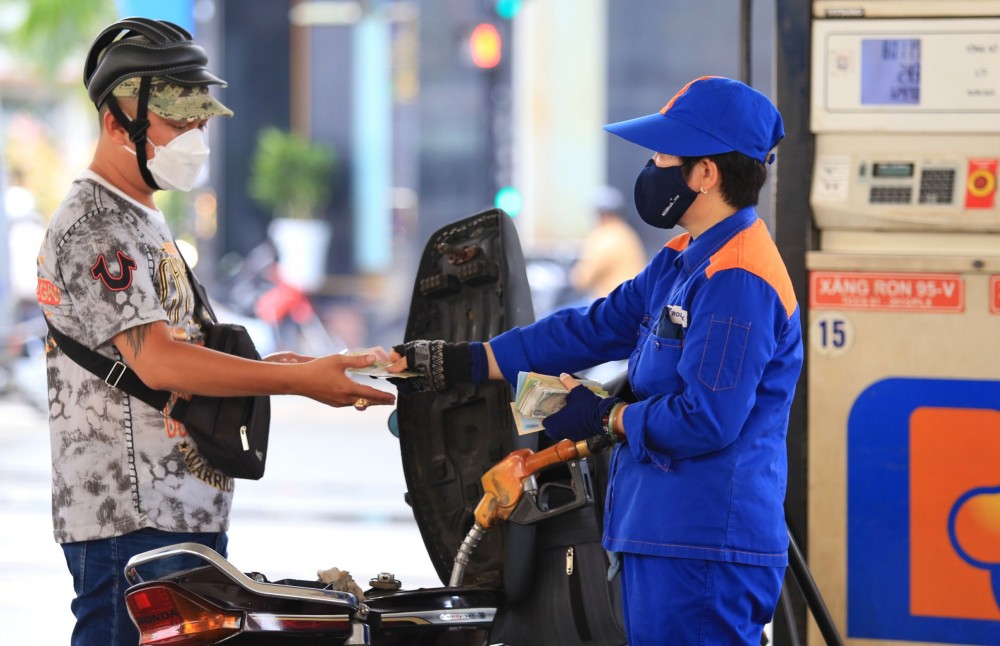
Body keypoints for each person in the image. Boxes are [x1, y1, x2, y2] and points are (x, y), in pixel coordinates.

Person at [389, 75, 803, 645]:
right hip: (663, 534)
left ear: (706, 173)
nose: (651, 167)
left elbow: (707, 419)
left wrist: (604, 416)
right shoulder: (686, 259)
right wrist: (467, 360)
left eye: (663, 153)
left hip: (704, 543)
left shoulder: (738, 279)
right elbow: (596, 326)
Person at [36, 18, 394, 645]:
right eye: (179, 121)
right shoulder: (96, 224)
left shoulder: (140, 215)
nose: (195, 137)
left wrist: (302, 366)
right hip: (130, 522)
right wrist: (303, 383)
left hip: (176, 514)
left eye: (200, 121)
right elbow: (160, 363)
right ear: (119, 121)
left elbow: (188, 350)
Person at [568, 185, 646, 301]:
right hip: (628, 301)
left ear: (603, 214)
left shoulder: (608, 236)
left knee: (553, 317)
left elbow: (584, 277)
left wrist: (571, 277)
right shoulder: (625, 232)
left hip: (610, 303)